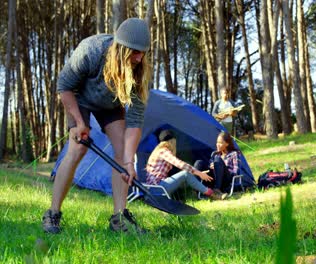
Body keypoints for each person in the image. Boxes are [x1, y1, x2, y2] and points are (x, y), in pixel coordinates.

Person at [42, 18, 152, 234]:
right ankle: (53, 213)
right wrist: (79, 123)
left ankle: (119, 219)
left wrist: (129, 162)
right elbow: (64, 86)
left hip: (110, 106)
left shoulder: (140, 71)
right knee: (77, 149)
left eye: (143, 53)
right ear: (120, 49)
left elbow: (135, 121)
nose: (139, 58)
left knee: (122, 152)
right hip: (79, 99)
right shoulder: (91, 50)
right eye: (135, 52)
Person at [145, 130, 227, 200]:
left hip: (153, 188)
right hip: (157, 188)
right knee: (186, 174)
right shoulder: (164, 151)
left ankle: (194, 193)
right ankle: (212, 194)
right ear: (172, 141)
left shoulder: (157, 151)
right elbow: (180, 164)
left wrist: (195, 172)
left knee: (185, 174)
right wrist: (199, 173)